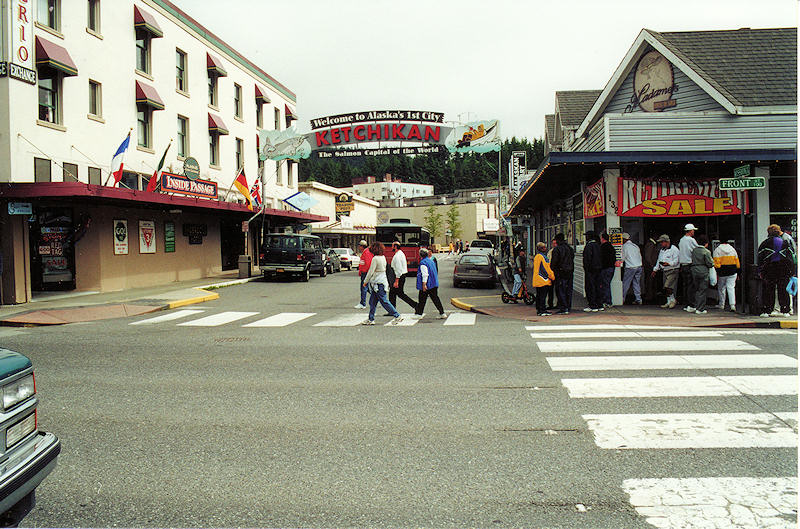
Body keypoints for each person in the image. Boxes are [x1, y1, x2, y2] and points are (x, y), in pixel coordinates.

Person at [757, 224, 796, 317]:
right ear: (779, 232)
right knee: (783, 289)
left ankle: (767, 310)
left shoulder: (764, 243)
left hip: (769, 268)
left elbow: (760, 258)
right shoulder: (785, 243)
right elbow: (791, 258)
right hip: (783, 268)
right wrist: (792, 271)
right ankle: (785, 310)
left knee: (768, 289)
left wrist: (760, 270)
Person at [361, 242, 402, 325]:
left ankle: (397, 316)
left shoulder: (375, 259)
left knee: (384, 301)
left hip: (377, 282)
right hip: (381, 281)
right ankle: (370, 318)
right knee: (372, 301)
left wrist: (365, 282)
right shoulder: (383, 257)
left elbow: (370, 271)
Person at [415, 248, 447, 319]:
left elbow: (425, 274)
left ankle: (419, 314)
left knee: (422, 299)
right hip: (434, 283)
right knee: (435, 298)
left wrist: (424, 284)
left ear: (420, 255)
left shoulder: (423, 263)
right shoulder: (431, 261)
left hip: (428, 284)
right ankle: (442, 313)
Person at [387, 240, 418, 312]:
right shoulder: (400, 254)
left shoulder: (397, 256)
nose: (391, 247)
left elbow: (398, 269)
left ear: (395, 247)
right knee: (393, 293)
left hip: (399, 276)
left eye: (392, 246)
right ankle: (392, 309)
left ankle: (415, 305)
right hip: (401, 275)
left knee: (399, 294)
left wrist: (396, 281)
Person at [686, 234, 713, 314]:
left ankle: (695, 305)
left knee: (696, 289)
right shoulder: (706, 252)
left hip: (694, 270)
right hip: (703, 271)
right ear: (706, 243)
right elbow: (710, 263)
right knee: (702, 290)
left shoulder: (694, 250)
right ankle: (700, 308)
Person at [651, 234, 679, 308]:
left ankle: (673, 300)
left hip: (672, 270)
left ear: (666, 242)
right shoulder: (662, 250)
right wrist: (655, 269)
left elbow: (676, 261)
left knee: (668, 286)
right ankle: (669, 301)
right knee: (666, 287)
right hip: (664, 270)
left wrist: (669, 264)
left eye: (662, 242)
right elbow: (659, 260)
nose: (661, 244)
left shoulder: (674, 249)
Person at [550, 232, 575, 314]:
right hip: (570, 271)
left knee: (560, 290)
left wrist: (552, 271)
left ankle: (563, 307)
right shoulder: (569, 248)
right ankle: (568, 306)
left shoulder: (557, 249)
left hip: (560, 272)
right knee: (568, 290)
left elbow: (554, 262)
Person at [713, 239, 740, 312]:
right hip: (732, 271)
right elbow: (737, 262)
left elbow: (716, 263)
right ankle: (732, 305)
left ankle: (722, 304)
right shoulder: (733, 249)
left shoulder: (717, 250)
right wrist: (737, 271)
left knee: (721, 288)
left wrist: (717, 271)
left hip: (722, 272)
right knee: (731, 288)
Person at [532, 242, 555, 316]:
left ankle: (539, 310)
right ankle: (542, 310)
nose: (546, 248)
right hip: (543, 279)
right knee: (543, 296)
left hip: (537, 279)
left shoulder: (536, 256)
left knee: (539, 295)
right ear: (542, 248)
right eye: (544, 247)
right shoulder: (543, 257)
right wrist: (552, 277)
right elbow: (546, 269)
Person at [678, 223, 699, 306]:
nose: (694, 232)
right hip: (690, 264)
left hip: (683, 265)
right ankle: (691, 303)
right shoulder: (691, 240)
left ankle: (685, 302)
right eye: (693, 230)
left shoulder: (681, 240)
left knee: (685, 285)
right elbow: (697, 249)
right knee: (691, 285)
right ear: (690, 231)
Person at [582, 231, 603, 312]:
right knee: (598, 287)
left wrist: (586, 269)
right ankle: (599, 304)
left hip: (590, 270)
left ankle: (592, 305)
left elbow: (587, 259)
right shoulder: (598, 245)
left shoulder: (589, 246)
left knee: (590, 287)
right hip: (599, 269)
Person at [621, 233, 643, 305]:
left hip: (630, 267)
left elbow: (622, 258)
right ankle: (638, 299)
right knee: (636, 283)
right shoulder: (635, 246)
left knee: (626, 283)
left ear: (624, 239)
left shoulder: (624, 246)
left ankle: (622, 299)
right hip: (639, 266)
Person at [599, 232, 616, 308]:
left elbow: (601, 259)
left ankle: (607, 301)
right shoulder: (611, 247)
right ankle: (608, 301)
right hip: (611, 268)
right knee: (607, 284)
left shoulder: (602, 247)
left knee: (605, 285)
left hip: (605, 268)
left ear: (602, 238)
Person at [354, 240, 373, 309]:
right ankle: (378, 299)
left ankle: (363, 303)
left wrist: (365, 272)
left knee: (364, 288)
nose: (359, 247)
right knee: (368, 288)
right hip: (364, 272)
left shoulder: (366, 252)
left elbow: (367, 264)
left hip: (365, 273)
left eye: (359, 246)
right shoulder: (365, 252)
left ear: (362, 246)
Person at [642, 233, 659, 303]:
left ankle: (651, 295)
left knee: (650, 281)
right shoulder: (650, 244)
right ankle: (649, 296)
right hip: (650, 267)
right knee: (650, 281)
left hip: (650, 266)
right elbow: (648, 256)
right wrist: (652, 265)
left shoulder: (651, 244)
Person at [545, 239, 557, 309]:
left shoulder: (557, 251)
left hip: (556, 272)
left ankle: (557, 303)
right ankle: (550, 304)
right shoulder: (550, 252)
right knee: (550, 289)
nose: (554, 245)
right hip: (550, 273)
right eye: (553, 243)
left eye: (555, 243)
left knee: (557, 289)